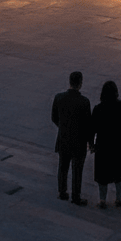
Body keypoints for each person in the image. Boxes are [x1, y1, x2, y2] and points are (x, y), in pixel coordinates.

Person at [51, 71, 93, 205]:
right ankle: (76, 196)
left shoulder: (59, 98)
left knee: (62, 167)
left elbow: (54, 118)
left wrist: (62, 127)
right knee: (77, 170)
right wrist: (90, 142)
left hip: (63, 138)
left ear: (69, 81)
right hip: (78, 141)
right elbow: (88, 125)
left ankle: (62, 192)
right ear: (80, 83)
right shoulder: (84, 102)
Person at [92, 80, 121, 208]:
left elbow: (93, 128)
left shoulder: (98, 108)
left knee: (102, 172)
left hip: (103, 143)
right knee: (119, 171)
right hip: (118, 142)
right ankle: (119, 198)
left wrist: (91, 144)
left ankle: (102, 200)